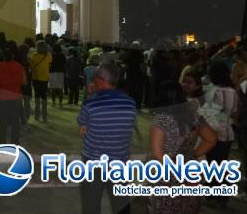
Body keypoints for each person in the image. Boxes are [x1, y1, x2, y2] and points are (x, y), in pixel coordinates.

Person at [147, 81, 217, 214]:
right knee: (186, 207)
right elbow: (212, 139)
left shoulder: (161, 120)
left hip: (167, 174)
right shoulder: (194, 116)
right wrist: (194, 155)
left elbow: (157, 154)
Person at [78, 62, 137, 214]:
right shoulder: (130, 103)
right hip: (119, 162)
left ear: (100, 80)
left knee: (90, 205)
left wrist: (91, 94)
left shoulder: (91, 103)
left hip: (94, 163)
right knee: (121, 204)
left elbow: (82, 130)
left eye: (94, 77)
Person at [203, 60, 238, 208]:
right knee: (221, 165)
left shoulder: (215, 91)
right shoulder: (232, 91)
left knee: (214, 165)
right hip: (228, 133)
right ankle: (220, 197)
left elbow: (212, 114)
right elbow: (235, 112)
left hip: (215, 133)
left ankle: (216, 197)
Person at [0, 41, 26, 144]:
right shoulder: (19, 66)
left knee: (3, 120)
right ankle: (15, 141)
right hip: (15, 97)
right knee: (15, 120)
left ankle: (1, 140)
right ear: (13, 56)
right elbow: (24, 82)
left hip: (2, 97)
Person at [29, 40, 51, 122]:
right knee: (44, 97)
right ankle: (44, 116)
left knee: (37, 97)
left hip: (36, 78)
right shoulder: (48, 55)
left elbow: (31, 66)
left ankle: (37, 116)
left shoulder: (34, 55)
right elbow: (50, 63)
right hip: (45, 78)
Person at [50, 44, 66, 108]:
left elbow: (50, 64)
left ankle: (53, 103)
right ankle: (60, 103)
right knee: (60, 89)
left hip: (53, 72)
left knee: (53, 88)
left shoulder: (52, 55)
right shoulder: (62, 55)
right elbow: (65, 63)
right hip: (61, 72)